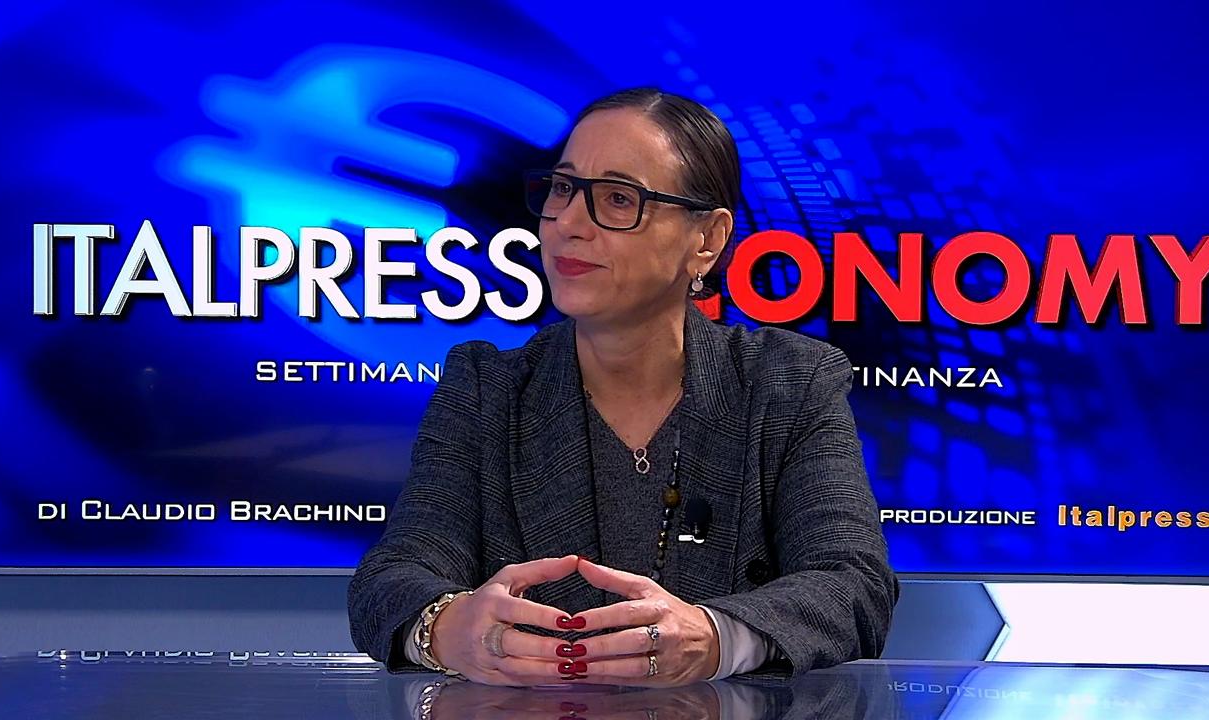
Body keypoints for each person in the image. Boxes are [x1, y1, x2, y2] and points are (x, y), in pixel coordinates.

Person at [347, 87, 898, 687]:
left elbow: (853, 586)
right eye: (562, 188)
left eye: (618, 198)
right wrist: (447, 627)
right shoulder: (487, 389)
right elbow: (391, 580)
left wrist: (716, 639)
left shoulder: (788, 383)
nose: (568, 224)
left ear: (707, 240)